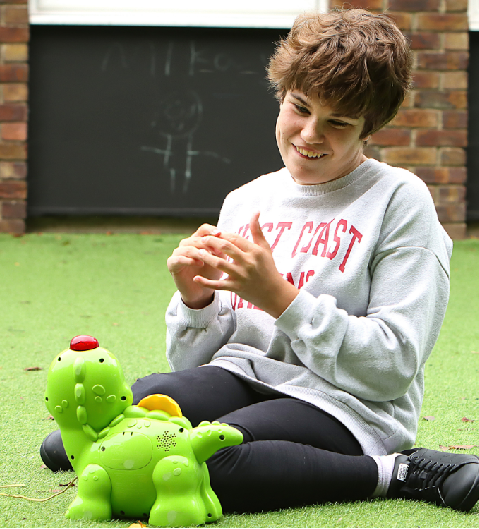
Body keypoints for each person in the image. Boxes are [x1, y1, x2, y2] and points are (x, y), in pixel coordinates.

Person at [41, 8, 479, 514]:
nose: (310, 134)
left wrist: (280, 298)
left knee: (198, 463)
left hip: (344, 403)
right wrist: (196, 299)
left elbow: (392, 366)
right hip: (242, 376)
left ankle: (398, 472)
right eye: (300, 107)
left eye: (337, 122)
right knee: (88, 439)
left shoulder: (400, 200)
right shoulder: (247, 200)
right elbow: (190, 365)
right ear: (282, 94)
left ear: (370, 127)